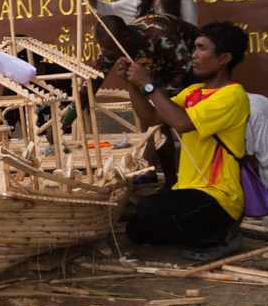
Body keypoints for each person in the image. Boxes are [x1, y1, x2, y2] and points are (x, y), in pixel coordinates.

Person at [121, 22, 251, 261]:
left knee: (149, 208)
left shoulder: (233, 96)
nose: (194, 55)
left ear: (224, 58)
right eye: (194, 48)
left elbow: (181, 123)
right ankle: (195, 231)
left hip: (218, 196)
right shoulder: (193, 92)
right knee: (136, 230)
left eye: (202, 49)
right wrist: (131, 82)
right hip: (189, 191)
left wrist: (148, 84)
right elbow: (151, 118)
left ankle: (223, 236)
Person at [72, 14, 197, 184]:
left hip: (188, 68)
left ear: (126, 37)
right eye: (103, 48)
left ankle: (174, 182)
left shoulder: (158, 35)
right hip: (159, 69)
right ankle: (165, 179)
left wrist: (159, 96)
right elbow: (92, 81)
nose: (106, 52)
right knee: (156, 125)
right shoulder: (113, 44)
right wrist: (65, 120)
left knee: (164, 116)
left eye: (109, 48)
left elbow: (187, 68)